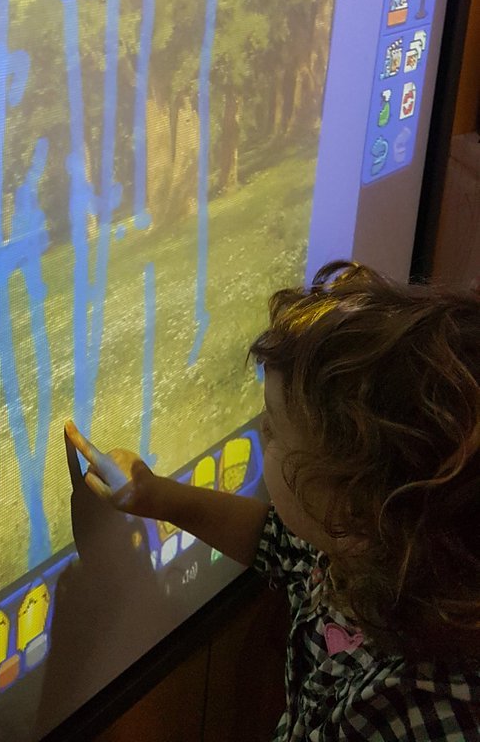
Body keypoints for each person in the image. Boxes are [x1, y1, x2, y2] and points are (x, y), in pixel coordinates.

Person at [66, 260, 480, 741]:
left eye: (276, 429)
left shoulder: (408, 707)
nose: (262, 429)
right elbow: (275, 541)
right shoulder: (372, 556)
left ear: (352, 504)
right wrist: (156, 496)